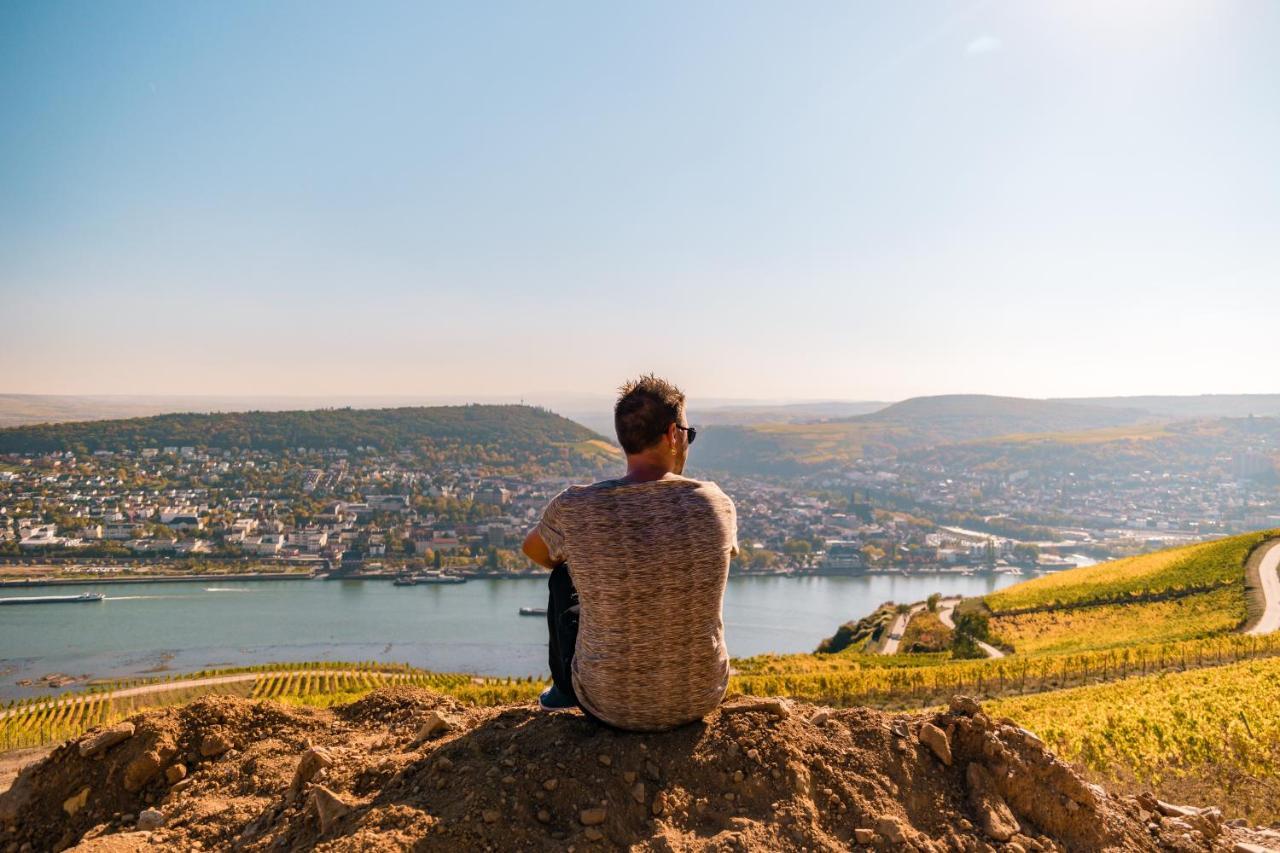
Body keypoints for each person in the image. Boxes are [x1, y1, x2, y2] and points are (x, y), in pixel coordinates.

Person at [521, 374, 738, 732]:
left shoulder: (576, 506)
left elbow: (534, 550)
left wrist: (588, 562)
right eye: (688, 434)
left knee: (563, 576)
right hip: (701, 695)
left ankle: (564, 691)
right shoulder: (716, 503)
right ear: (672, 435)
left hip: (607, 704)